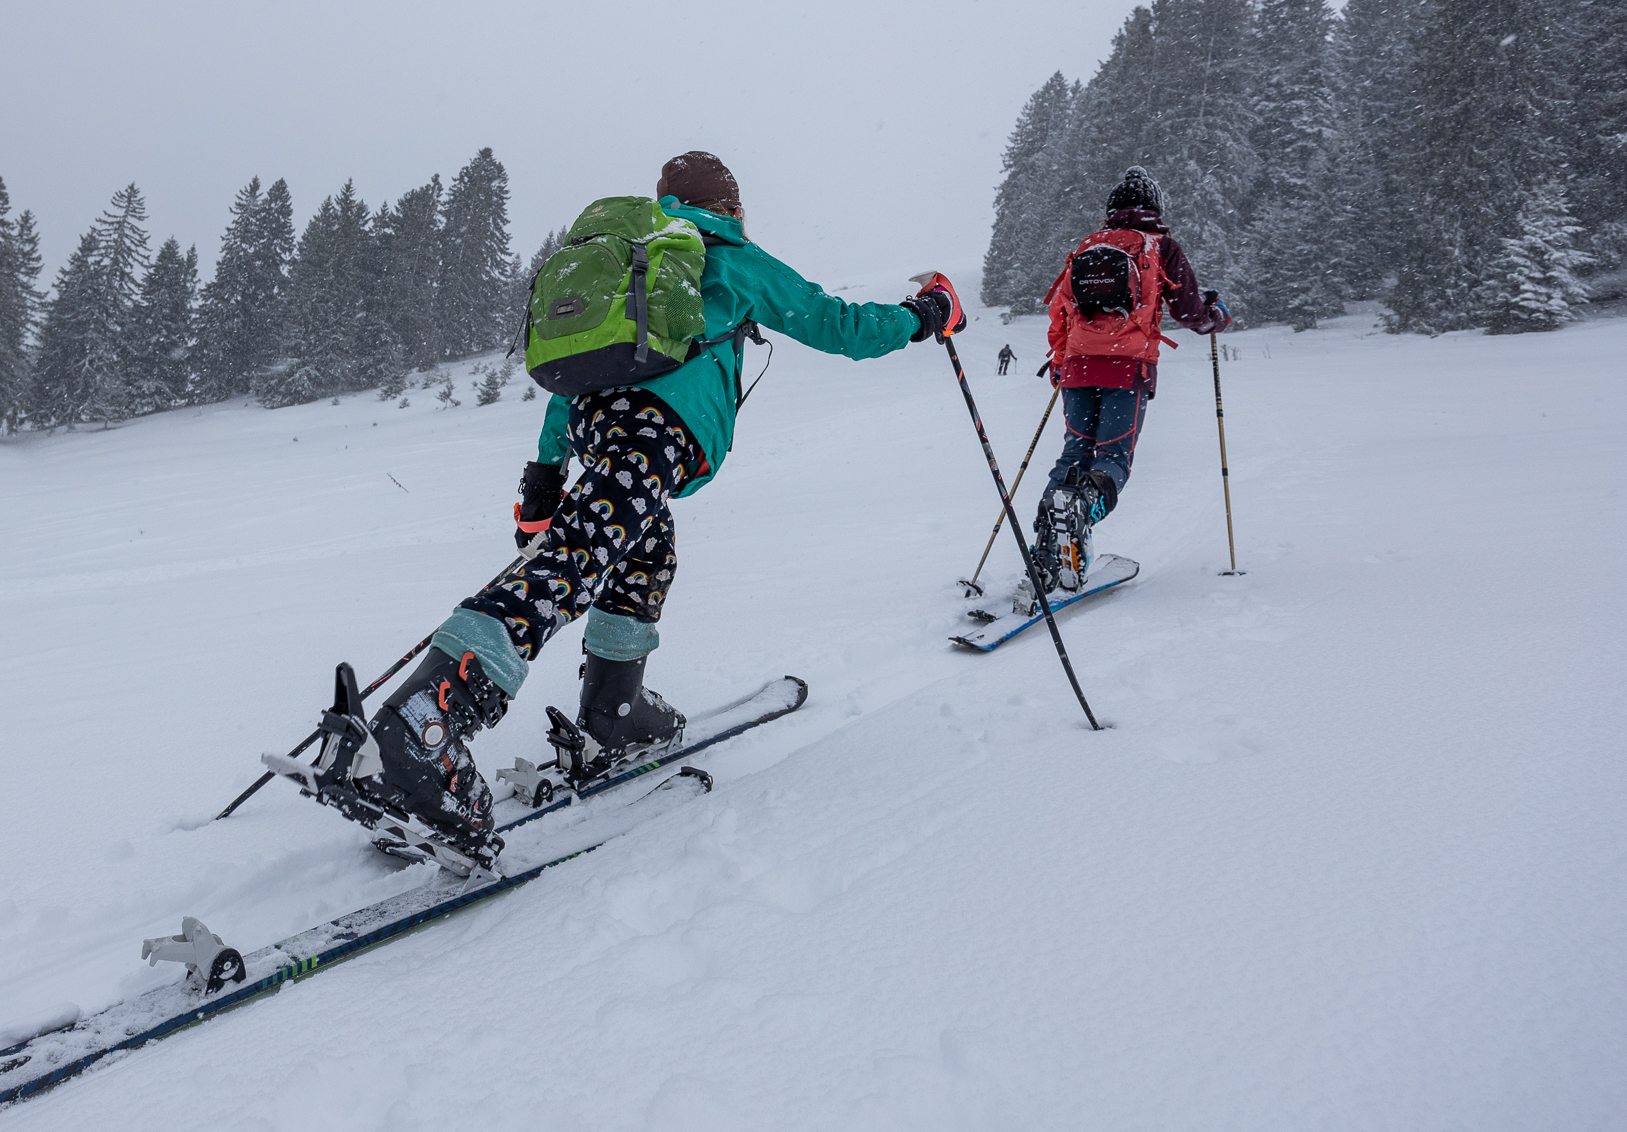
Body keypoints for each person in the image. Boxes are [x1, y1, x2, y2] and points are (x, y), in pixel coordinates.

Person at [302, 151, 966, 864]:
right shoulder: (730, 256)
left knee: (642, 545)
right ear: (731, 207)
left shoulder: (637, 263)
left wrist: (544, 485)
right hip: (661, 430)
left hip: (601, 423)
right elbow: (841, 327)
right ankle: (428, 720)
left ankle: (612, 715)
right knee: (573, 560)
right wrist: (925, 314)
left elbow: (574, 387)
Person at [1018, 166, 1230, 611]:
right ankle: (1083, 512)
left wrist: (1060, 363)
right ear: (1155, 209)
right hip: (1127, 367)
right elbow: (1191, 312)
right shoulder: (1161, 247)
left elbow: (1060, 313)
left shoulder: (1087, 247)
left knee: (1073, 455)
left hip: (1077, 366)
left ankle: (1045, 553)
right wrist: (1216, 317)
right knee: (1111, 459)